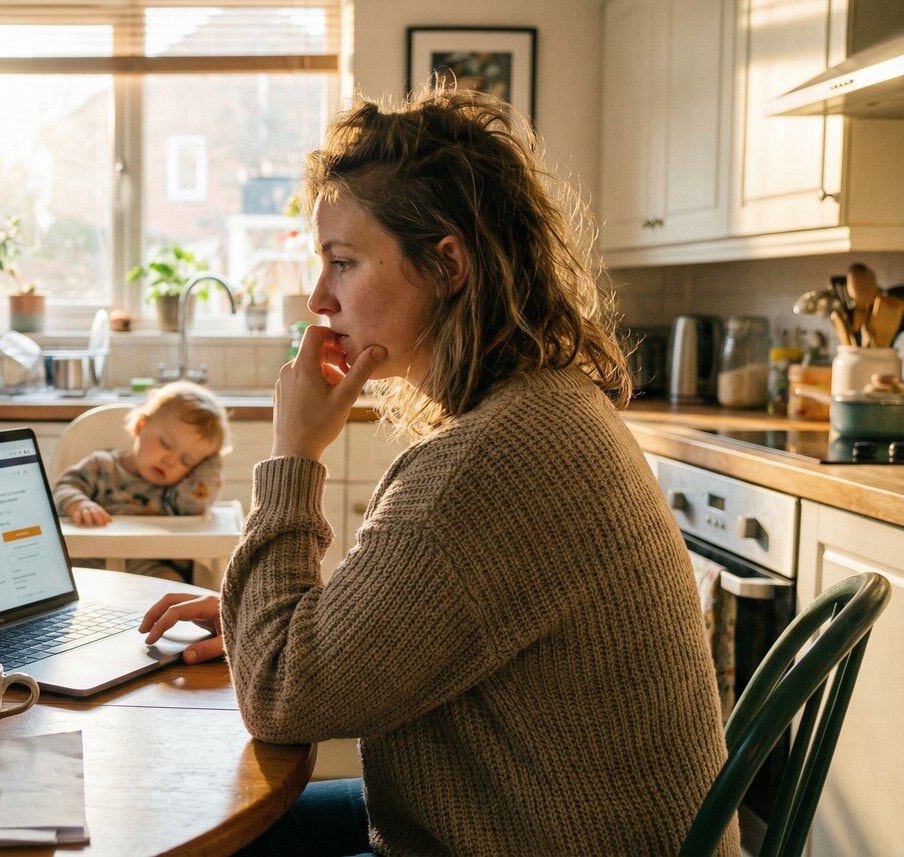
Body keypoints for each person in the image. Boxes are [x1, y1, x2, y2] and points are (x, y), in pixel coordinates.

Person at [140, 88, 735, 856]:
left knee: (210, 838)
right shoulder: (544, 406)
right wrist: (257, 622)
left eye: (343, 263)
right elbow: (378, 627)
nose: (320, 300)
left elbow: (280, 695)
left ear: (446, 263)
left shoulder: (486, 468)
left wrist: (293, 454)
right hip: (543, 824)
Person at [54, 381, 229, 582]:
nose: (171, 460)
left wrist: (212, 458)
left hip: (150, 570)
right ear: (140, 425)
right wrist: (78, 503)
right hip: (92, 565)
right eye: (166, 444)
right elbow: (64, 486)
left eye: (186, 460)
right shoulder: (102, 466)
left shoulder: (176, 492)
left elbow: (197, 503)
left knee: (176, 587)